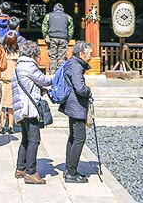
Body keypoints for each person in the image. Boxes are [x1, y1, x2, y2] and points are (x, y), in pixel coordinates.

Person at [11, 40, 53, 185]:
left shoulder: (19, 66)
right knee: (34, 140)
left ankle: (21, 168)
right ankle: (31, 172)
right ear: (33, 54)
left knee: (26, 139)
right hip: (29, 108)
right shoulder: (29, 66)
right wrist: (57, 77)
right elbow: (44, 80)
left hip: (20, 107)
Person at [60, 41, 94, 183]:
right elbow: (80, 88)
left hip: (72, 104)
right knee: (79, 138)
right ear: (81, 54)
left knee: (74, 137)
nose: (91, 57)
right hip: (76, 106)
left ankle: (70, 169)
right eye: (90, 54)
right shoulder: (76, 65)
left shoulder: (72, 63)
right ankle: (71, 173)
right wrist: (89, 90)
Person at [42, 3, 74, 74]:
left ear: (54, 9)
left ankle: (52, 74)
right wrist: (68, 39)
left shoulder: (48, 16)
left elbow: (44, 27)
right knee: (62, 58)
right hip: (63, 38)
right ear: (63, 10)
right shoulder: (68, 17)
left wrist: (45, 36)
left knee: (53, 57)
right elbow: (71, 30)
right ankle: (60, 74)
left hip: (52, 38)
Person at [0, 30, 19, 135]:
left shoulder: (2, 52)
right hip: (10, 81)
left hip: (5, 80)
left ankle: (4, 125)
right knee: (10, 106)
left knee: (4, 105)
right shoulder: (17, 54)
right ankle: (9, 126)